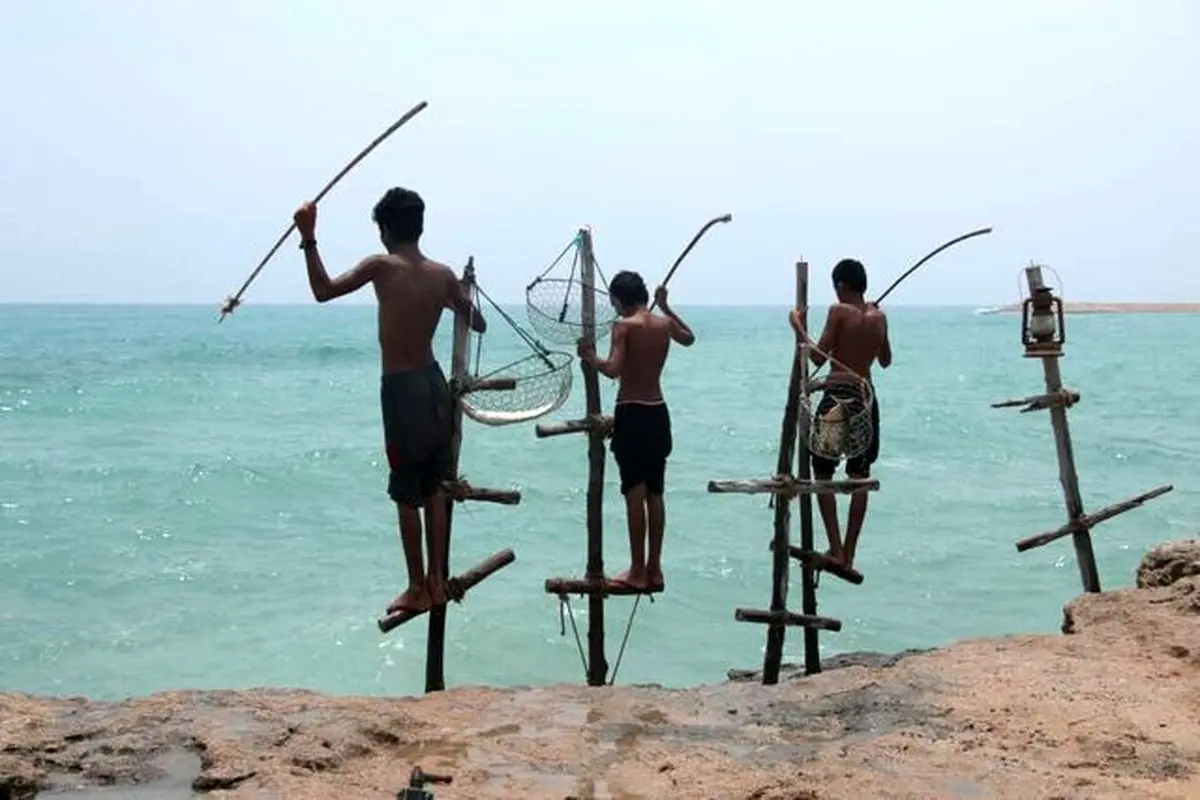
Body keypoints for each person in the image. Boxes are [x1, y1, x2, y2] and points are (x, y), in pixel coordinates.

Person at [293, 187, 486, 615]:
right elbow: (477, 322)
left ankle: (417, 586)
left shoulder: (380, 265)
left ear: (384, 230)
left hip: (401, 389)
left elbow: (323, 291)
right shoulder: (442, 274)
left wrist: (308, 237)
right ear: (420, 226)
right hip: (434, 385)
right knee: (435, 488)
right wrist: (462, 296)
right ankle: (437, 582)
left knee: (405, 492)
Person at [577, 271, 695, 592]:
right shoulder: (662, 324)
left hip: (632, 411)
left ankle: (638, 570)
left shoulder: (623, 326)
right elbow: (689, 337)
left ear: (617, 299)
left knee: (635, 493)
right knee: (655, 493)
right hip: (658, 412)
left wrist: (591, 358)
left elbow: (614, 369)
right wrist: (667, 308)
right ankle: (654, 569)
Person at [789, 258, 891, 572]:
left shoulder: (838, 311)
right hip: (865, 398)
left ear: (842, 286)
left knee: (822, 472)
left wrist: (797, 326)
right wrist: (873, 326)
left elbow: (819, 355)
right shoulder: (880, 316)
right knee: (859, 478)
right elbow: (885, 360)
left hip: (837, 396)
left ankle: (834, 546)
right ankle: (849, 553)